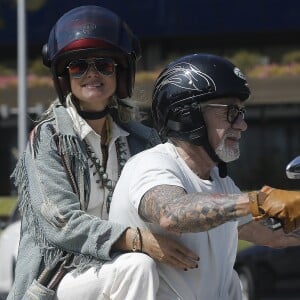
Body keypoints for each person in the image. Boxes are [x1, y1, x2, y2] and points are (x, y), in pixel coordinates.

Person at [8, 6, 199, 300]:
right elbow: (62, 222)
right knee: (139, 267)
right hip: (60, 275)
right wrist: (138, 240)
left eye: (104, 65)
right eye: (78, 66)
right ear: (64, 76)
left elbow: (178, 190)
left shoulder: (142, 140)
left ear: (120, 72)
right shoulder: (50, 139)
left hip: (118, 265)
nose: (91, 74)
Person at [109, 53, 300, 299]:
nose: (242, 125)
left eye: (241, 112)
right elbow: (172, 213)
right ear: (187, 115)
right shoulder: (151, 164)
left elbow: (272, 235)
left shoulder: (219, 181)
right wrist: (256, 202)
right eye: (231, 112)